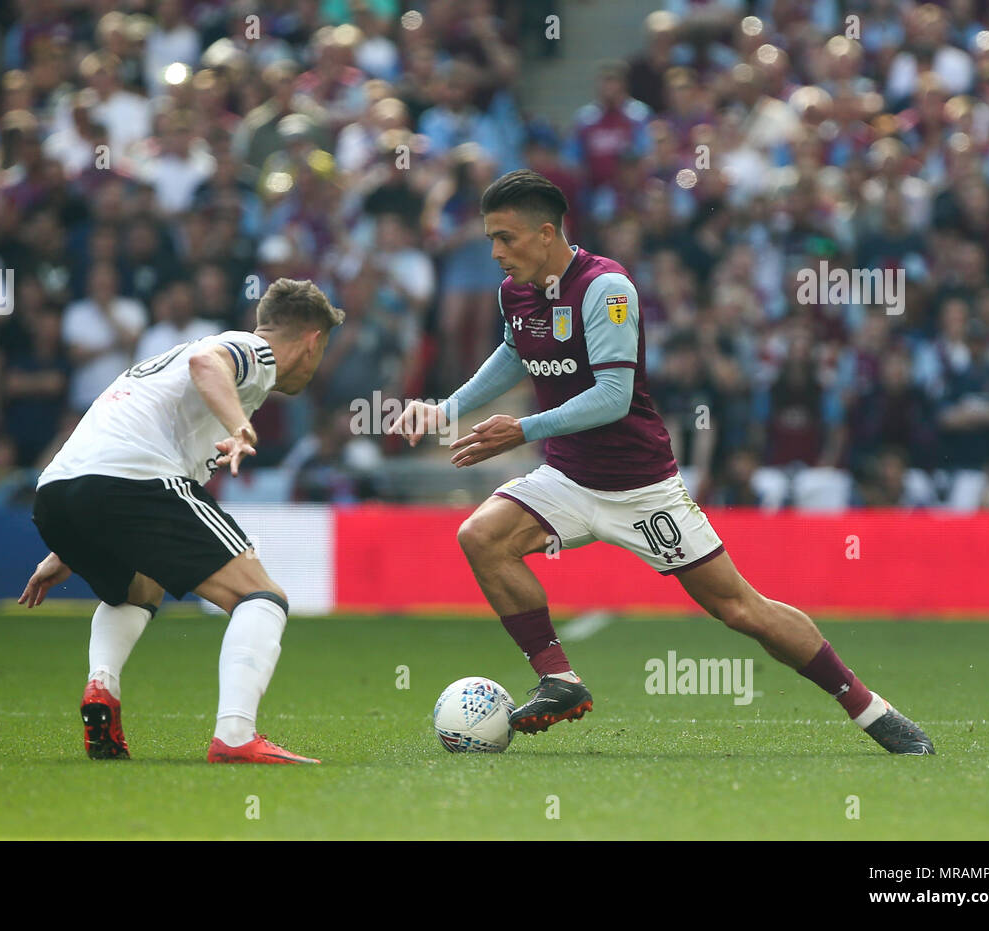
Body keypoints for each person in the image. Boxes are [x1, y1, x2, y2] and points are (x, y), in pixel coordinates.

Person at [390, 170, 935, 755]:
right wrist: (446, 408)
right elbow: (514, 350)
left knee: (741, 609)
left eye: (507, 238)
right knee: (481, 536)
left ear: (546, 233)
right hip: (568, 479)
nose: (496, 252)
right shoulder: (515, 292)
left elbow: (612, 398)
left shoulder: (606, 288)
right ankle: (559, 679)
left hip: (640, 487)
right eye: (491, 238)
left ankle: (870, 710)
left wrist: (520, 429)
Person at [18, 278, 343, 764]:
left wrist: (66, 546)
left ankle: (101, 687)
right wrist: (240, 426)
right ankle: (235, 735)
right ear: (313, 340)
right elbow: (205, 364)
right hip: (132, 482)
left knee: (139, 587)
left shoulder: (168, 363)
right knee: (262, 596)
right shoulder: (251, 349)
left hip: (58, 494)